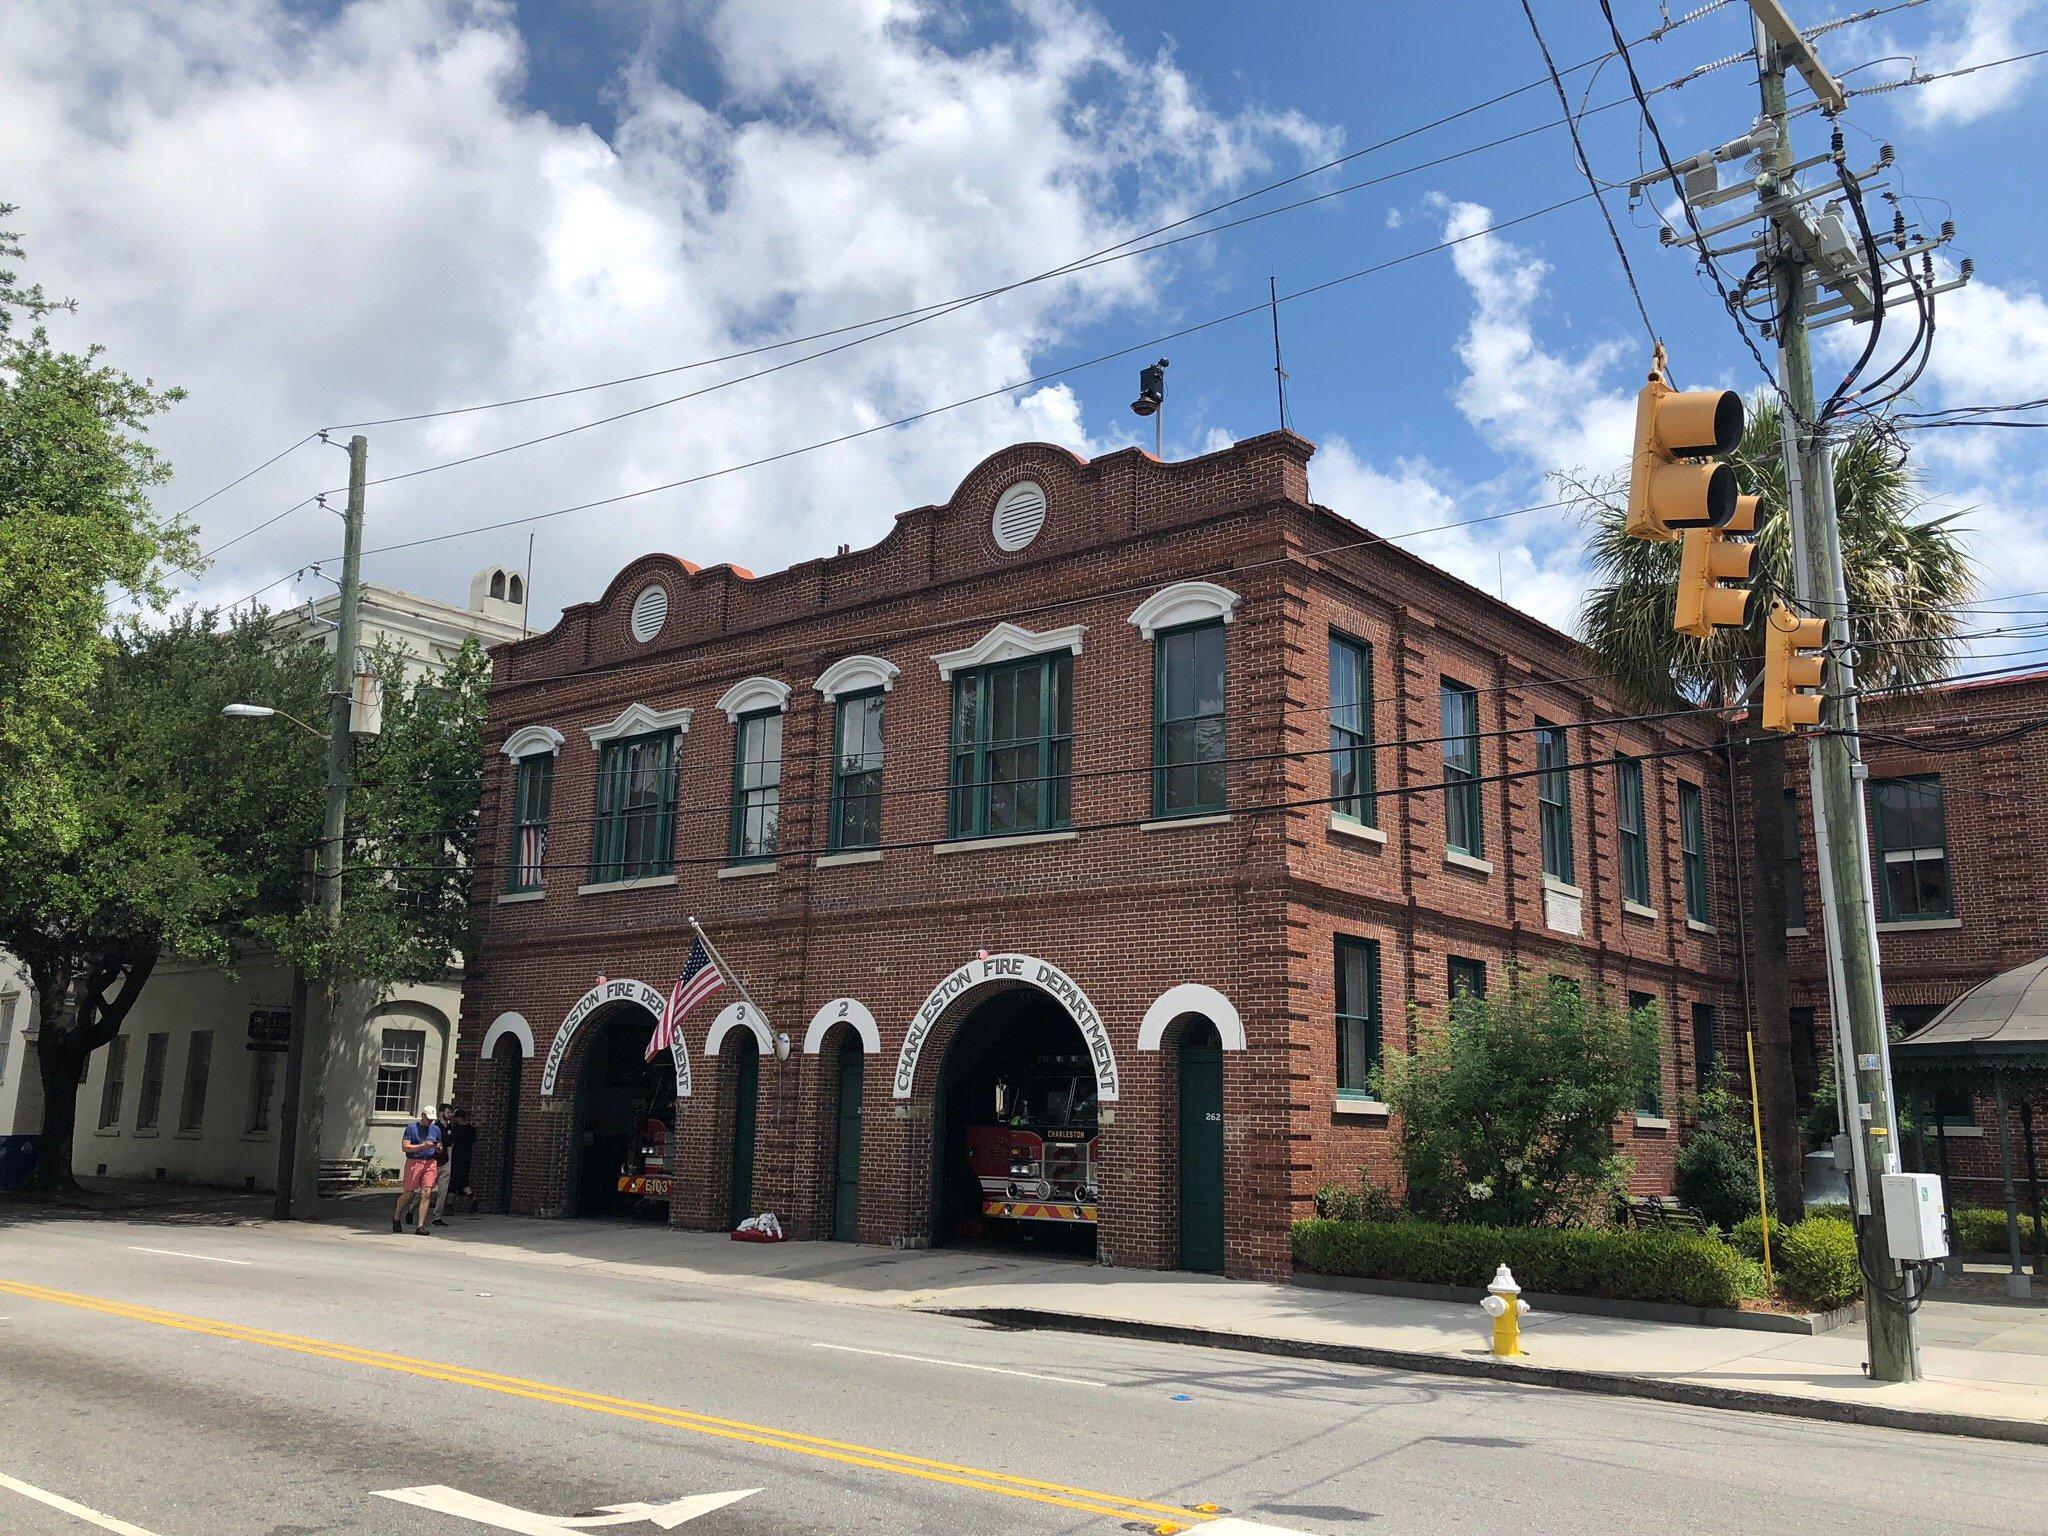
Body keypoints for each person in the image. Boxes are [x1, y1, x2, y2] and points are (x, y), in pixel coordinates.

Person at [393, 1106, 440, 1235]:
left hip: (430, 1161)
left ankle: (420, 1226)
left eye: (432, 1119)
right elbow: (405, 1147)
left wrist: (437, 1147)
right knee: (409, 1193)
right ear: (422, 1115)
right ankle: (397, 1216)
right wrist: (423, 1146)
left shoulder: (435, 1129)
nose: (430, 1121)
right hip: (414, 1161)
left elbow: (440, 1146)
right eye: (428, 1119)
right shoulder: (411, 1128)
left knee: (426, 1192)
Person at [434, 1105, 477, 1224]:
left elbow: (451, 1143)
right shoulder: (471, 1130)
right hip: (467, 1158)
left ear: (459, 1118)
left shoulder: (456, 1130)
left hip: (456, 1158)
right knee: (464, 1181)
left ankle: (449, 1205)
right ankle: (472, 1197)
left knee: (452, 1182)